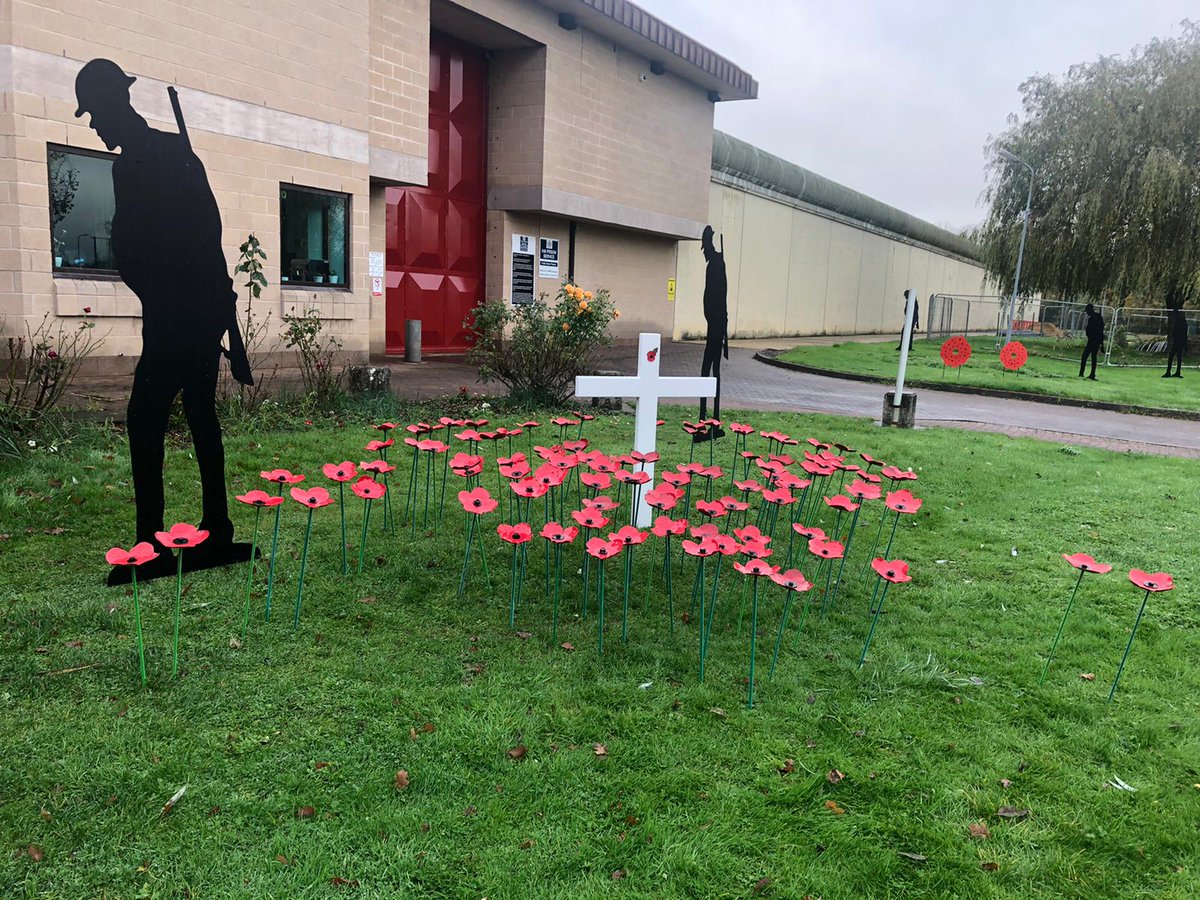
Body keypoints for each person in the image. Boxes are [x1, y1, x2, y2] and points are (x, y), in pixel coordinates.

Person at [75, 59, 251, 582]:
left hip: (180, 313)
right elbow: (192, 236)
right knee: (199, 414)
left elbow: (188, 235)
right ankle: (214, 526)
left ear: (115, 103)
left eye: (95, 113)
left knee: (147, 417)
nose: (94, 125)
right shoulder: (168, 153)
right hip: (191, 310)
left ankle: (154, 538)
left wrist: (175, 293)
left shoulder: (142, 163)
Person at [696, 225, 728, 439]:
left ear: (708, 246)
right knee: (710, 370)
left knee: (710, 370)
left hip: (716, 326)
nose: (704, 253)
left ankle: (710, 423)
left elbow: (717, 297)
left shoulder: (716, 264)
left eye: (705, 249)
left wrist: (720, 326)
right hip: (715, 325)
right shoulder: (715, 263)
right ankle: (705, 421)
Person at [1164, 293, 1187, 378]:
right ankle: (1177, 372)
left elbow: (1176, 332)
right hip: (1180, 341)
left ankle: (1170, 372)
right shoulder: (1183, 322)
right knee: (1178, 357)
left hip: (1178, 342)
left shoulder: (1180, 322)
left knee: (1172, 356)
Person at [1079, 303, 1104, 380]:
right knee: (1093, 357)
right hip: (1096, 340)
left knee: (1085, 356)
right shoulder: (1097, 317)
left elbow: (1097, 330)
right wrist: (1101, 344)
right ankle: (1091, 374)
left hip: (1093, 340)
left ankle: (1083, 373)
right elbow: (1101, 330)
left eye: (1087, 311)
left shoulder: (1093, 318)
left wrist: (1090, 335)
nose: (1087, 313)